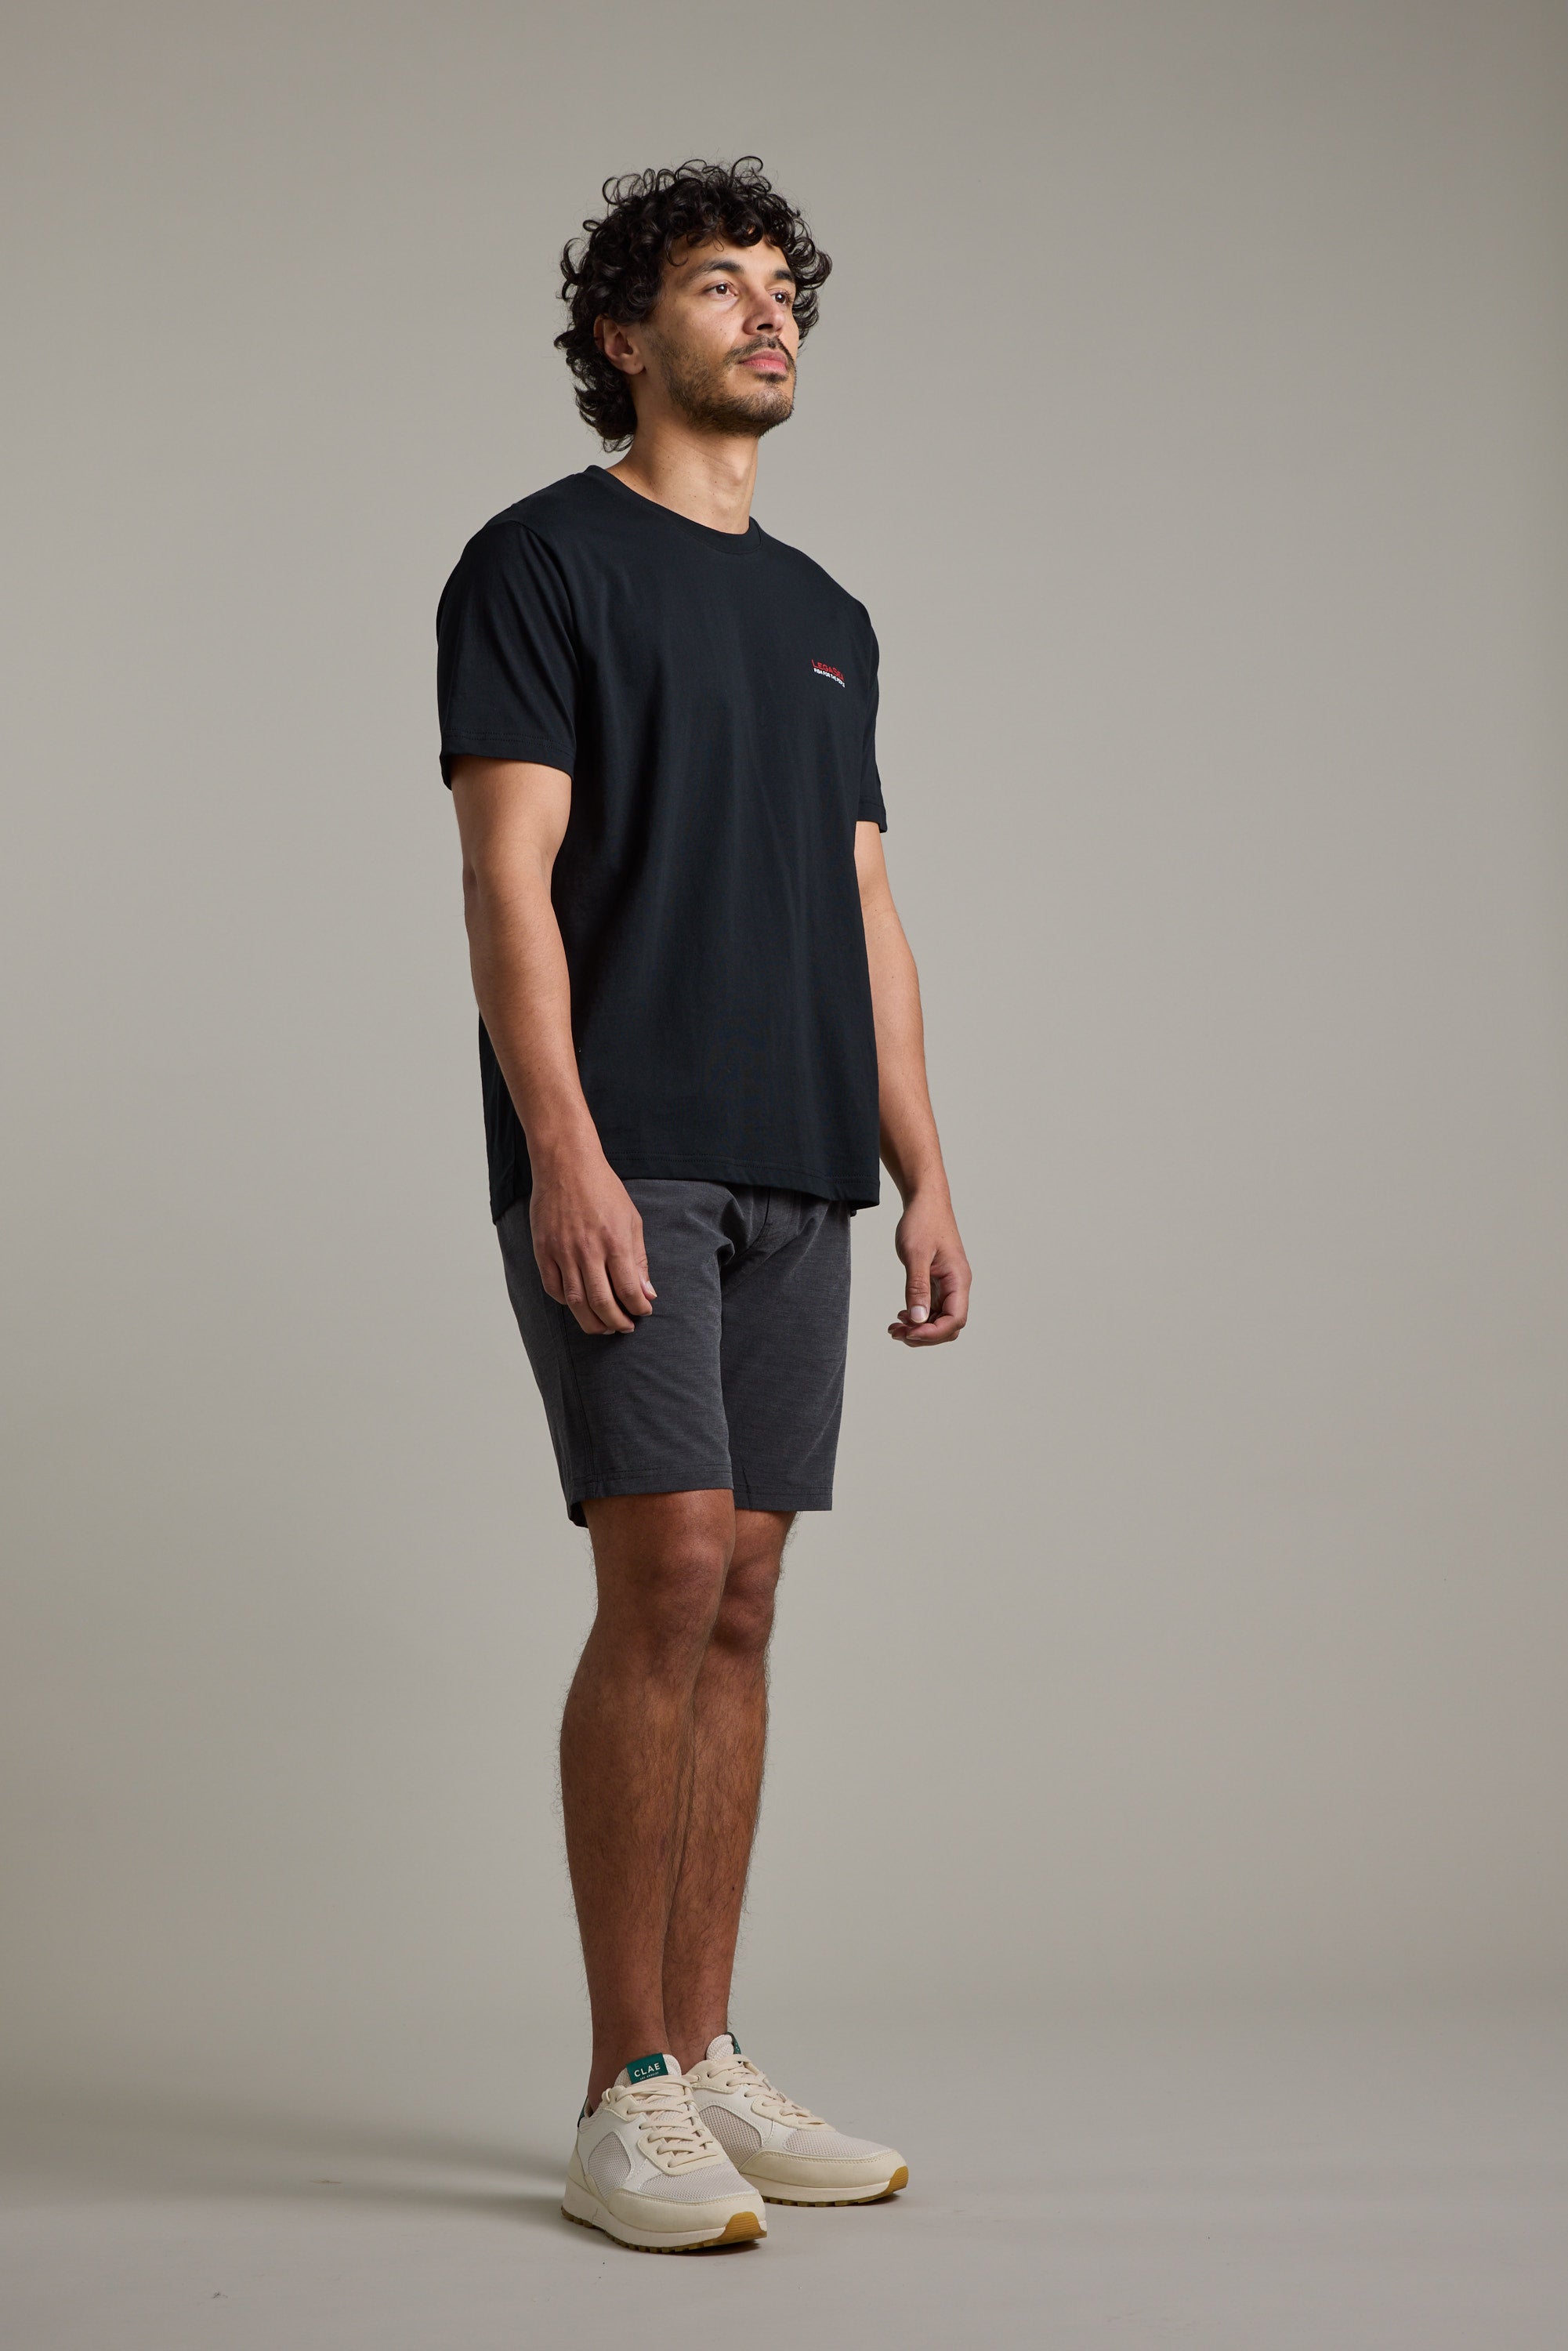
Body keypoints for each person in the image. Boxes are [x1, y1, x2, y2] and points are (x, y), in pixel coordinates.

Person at [436, 158, 971, 2254]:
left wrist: (929, 1172)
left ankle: (710, 2049)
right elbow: (503, 884)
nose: (765, 319)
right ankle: (619, 2090)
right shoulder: (537, 565)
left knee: (745, 1601)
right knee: (657, 1576)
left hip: (800, 1162)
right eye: (716, 287)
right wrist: (559, 1151)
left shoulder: (827, 615)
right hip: (629, 1143)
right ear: (616, 338)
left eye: (783, 292)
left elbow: (866, 909)